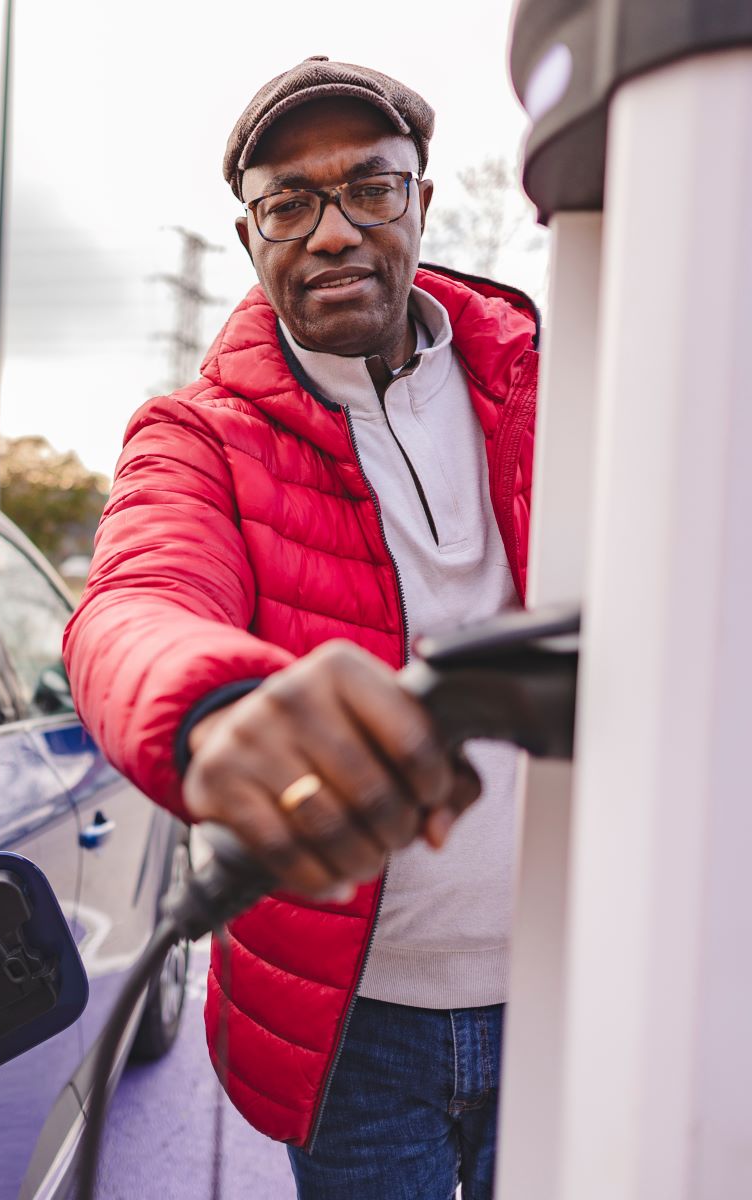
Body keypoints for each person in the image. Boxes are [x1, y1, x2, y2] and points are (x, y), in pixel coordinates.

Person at [64, 57, 540, 1199]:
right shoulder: (196, 435)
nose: (332, 231)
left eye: (369, 189)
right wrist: (220, 709)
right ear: (249, 237)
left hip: (575, 980)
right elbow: (135, 602)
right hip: (351, 1030)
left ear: (422, 201)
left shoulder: (553, 382)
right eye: (290, 202)